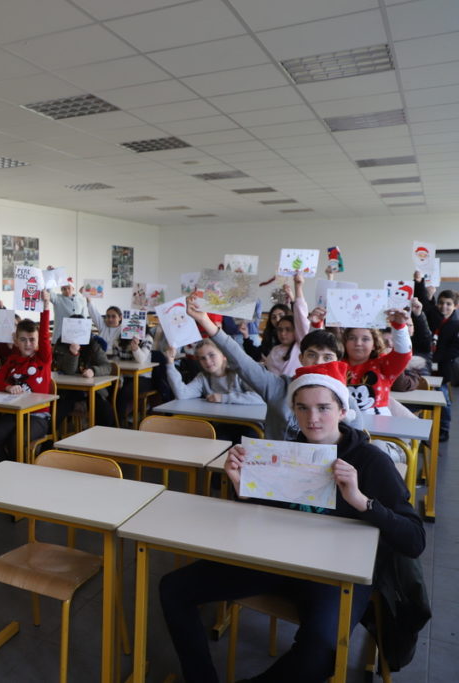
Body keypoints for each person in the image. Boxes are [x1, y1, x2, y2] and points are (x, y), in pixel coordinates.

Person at [159, 362, 425, 683]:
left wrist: (361, 501)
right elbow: (262, 514)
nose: (313, 418)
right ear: (294, 411)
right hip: (276, 559)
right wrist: (243, 488)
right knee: (173, 588)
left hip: (334, 575)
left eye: (323, 408)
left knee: (321, 653)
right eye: (303, 408)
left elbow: (414, 539)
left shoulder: (370, 461)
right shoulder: (286, 451)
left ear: (342, 410)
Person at [185, 297, 364, 440]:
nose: (318, 362)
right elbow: (241, 362)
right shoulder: (278, 387)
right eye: (311, 355)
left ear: (337, 362)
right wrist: (205, 321)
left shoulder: (344, 397)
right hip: (279, 466)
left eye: (327, 357)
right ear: (301, 358)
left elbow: (358, 439)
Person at [0, 296, 52, 462]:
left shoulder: (42, 358)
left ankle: (20, 475)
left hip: (38, 416)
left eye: (31, 340)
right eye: (23, 340)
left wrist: (45, 306)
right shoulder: (12, 360)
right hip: (14, 412)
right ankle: (6, 469)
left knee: (15, 441)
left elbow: (43, 335)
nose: (28, 344)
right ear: (16, 340)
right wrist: (7, 387)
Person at [342, 309, 412, 415]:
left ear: (374, 345)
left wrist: (399, 327)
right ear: (345, 343)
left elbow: (403, 354)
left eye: (365, 339)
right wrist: (316, 325)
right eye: (352, 338)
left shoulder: (383, 365)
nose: (358, 343)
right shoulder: (336, 364)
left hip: (377, 426)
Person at [414, 271, 456, 440]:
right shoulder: (435, 316)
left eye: (448, 304)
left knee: (443, 397)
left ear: (455, 306)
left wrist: (436, 359)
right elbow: (423, 303)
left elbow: (455, 349)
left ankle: (443, 429)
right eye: (441, 303)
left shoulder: (456, 324)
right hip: (426, 364)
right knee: (423, 393)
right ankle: (421, 424)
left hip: (443, 367)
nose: (443, 307)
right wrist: (419, 282)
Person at [54, 317, 115, 427]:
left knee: (105, 412)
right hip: (68, 390)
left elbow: (107, 366)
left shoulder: (93, 345)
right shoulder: (61, 346)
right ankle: (50, 440)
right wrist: (74, 354)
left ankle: (104, 439)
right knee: (57, 411)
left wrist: (93, 371)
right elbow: (69, 371)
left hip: (91, 391)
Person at [263, 275, 309, 378]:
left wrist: (298, 287)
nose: (283, 334)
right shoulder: (275, 350)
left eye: (288, 330)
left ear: (296, 330)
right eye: (280, 330)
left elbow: (301, 317)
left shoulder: (301, 346)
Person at [47, 273, 86, 343]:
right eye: (64, 289)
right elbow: (49, 292)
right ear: (61, 290)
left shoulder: (80, 300)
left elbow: (84, 319)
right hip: (59, 337)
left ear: (73, 288)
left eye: (68, 288)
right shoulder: (57, 299)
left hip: (76, 338)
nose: (67, 290)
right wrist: (51, 274)